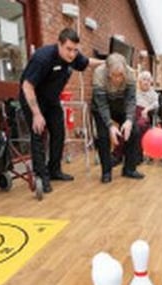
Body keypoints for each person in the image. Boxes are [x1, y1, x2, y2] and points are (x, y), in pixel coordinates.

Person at [19, 28, 102, 194]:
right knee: (38, 134)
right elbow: (27, 86)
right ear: (59, 44)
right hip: (33, 99)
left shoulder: (73, 57)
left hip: (51, 99)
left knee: (58, 133)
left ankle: (54, 170)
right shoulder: (42, 58)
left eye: (75, 50)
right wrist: (36, 114)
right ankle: (41, 176)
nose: (72, 54)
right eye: (69, 49)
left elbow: (86, 62)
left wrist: (107, 62)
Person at [92, 53, 145, 183]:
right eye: (114, 75)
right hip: (101, 106)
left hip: (121, 104)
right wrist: (110, 125)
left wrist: (129, 120)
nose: (117, 79)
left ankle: (129, 169)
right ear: (107, 70)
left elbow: (131, 100)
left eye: (120, 75)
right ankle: (106, 172)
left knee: (134, 131)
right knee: (103, 136)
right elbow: (102, 104)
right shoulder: (99, 74)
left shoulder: (131, 74)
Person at [112, 70, 159, 165]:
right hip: (132, 112)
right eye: (144, 80)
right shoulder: (134, 92)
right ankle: (117, 155)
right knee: (124, 127)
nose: (146, 82)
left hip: (144, 114)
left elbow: (156, 104)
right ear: (140, 81)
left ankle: (136, 156)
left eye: (148, 80)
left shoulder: (153, 94)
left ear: (151, 82)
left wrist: (146, 109)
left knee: (139, 127)